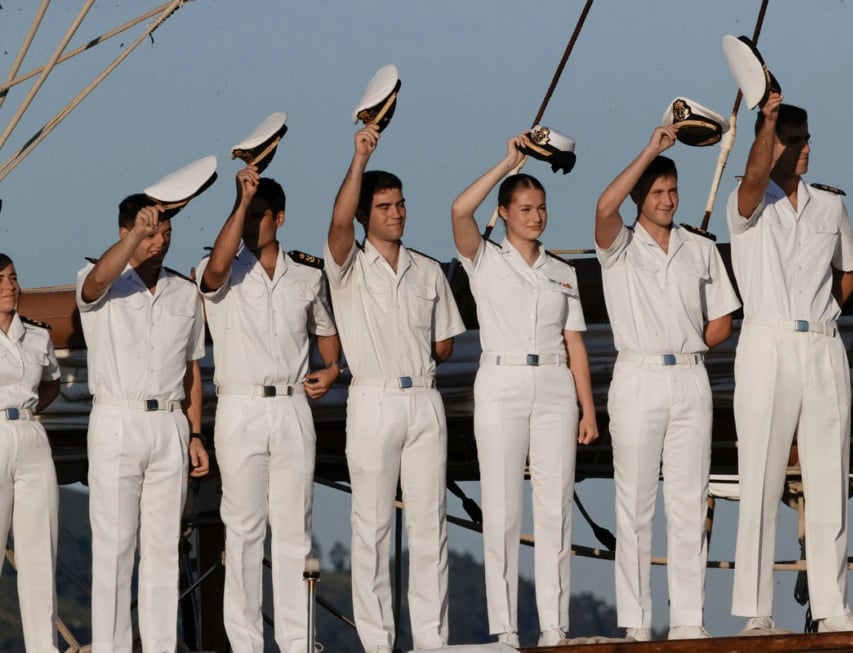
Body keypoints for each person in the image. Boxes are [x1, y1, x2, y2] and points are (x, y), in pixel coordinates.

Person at [726, 95, 853, 634]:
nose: (807, 148)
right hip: (767, 340)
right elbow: (753, 176)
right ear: (773, 145)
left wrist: (828, 308)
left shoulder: (830, 206)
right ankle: (756, 612)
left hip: (822, 342)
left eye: (808, 138)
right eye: (796, 139)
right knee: (760, 477)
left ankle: (833, 607)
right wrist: (765, 122)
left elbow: (848, 271)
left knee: (829, 475)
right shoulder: (748, 202)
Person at [451, 134, 600, 647]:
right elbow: (458, 211)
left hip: (556, 383)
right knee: (502, 506)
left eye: (541, 208)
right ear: (506, 213)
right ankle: (506, 629)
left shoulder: (562, 271)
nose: (536, 216)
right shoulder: (484, 259)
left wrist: (588, 407)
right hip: (501, 380)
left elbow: (574, 341)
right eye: (526, 208)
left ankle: (555, 626)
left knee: (556, 505)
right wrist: (507, 163)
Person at [594, 126, 740, 640]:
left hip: (690, 377)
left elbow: (722, 318)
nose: (667, 200)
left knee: (688, 501)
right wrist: (652, 150)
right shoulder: (619, 246)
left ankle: (688, 620)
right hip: (637, 376)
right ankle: (636, 623)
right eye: (656, 192)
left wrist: (689, 339)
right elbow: (604, 207)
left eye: (672, 191)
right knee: (634, 504)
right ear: (640, 196)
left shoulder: (699, 248)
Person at [327, 123, 465, 653]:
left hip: (423, 398)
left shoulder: (429, 270)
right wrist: (359, 158)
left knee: (430, 524)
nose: (397, 213)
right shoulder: (348, 268)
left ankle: (432, 639)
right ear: (367, 216)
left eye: (401, 204)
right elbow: (338, 224)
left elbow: (446, 343)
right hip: (374, 397)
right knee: (372, 527)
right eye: (385, 207)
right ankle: (378, 641)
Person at [198, 165, 341, 652]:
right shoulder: (219, 267)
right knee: (241, 530)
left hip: (292, 405)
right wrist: (240, 201)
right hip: (240, 407)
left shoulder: (307, 272)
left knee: (294, 531)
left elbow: (325, 332)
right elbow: (213, 275)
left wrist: (333, 368)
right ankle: (246, 645)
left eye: (259, 215)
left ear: (279, 219)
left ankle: (298, 642)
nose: (250, 224)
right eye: (246, 215)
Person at [77, 194, 209, 652]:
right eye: (152, 232)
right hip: (118, 417)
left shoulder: (185, 292)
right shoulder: (100, 281)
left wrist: (195, 432)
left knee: (162, 551)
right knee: (114, 548)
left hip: (169, 423)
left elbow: (192, 369)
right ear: (125, 233)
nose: (161, 241)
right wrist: (137, 231)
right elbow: (95, 283)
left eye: (166, 233)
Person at [0, 254, 61, 652]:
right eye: (1, 279)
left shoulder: (37, 335)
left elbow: (52, 382)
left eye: (13, 277)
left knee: (41, 552)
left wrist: (34, 407)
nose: (10, 286)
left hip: (31, 432)